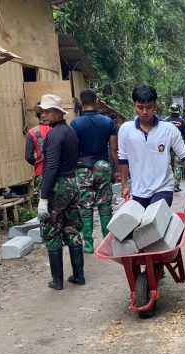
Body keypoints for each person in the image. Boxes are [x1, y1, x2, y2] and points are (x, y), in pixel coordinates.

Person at [118, 85, 185, 208]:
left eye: (149, 107)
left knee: (154, 222)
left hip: (163, 187)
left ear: (155, 106)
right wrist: (124, 185)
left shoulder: (168, 129)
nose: (145, 112)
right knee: (140, 225)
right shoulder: (126, 129)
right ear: (134, 106)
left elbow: (184, 155)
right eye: (140, 107)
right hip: (138, 189)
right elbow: (123, 159)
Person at [36, 94, 84, 290]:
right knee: (72, 228)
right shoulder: (70, 131)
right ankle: (78, 275)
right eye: (42, 111)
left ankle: (57, 281)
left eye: (48, 111)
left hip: (58, 186)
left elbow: (51, 167)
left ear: (58, 113)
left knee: (51, 230)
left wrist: (43, 197)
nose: (44, 115)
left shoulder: (54, 135)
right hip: (73, 183)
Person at [69, 88, 118, 254]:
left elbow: (73, 149)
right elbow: (113, 148)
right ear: (96, 101)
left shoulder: (75, 124)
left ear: (82, 103)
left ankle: (88, 244)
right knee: (105, 205)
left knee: (85, 206)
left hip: (83, 167)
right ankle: (107, 243)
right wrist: (116, 169)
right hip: (103, 166)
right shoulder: (108, 123)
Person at [25, 102, 51, 205]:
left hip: (41, 173)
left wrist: (39, 162)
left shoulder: (31, 133)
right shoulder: (56, 129)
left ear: (36, 115)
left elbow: (28, 157)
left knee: (44, 206)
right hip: (59, 173)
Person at [164, 104, 185, 192]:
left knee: (167, 166)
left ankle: (167, 185)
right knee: (178, 166)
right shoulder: (182, 122)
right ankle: (176, 185)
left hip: (167, 148)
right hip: (178, 148)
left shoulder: (165, 121)